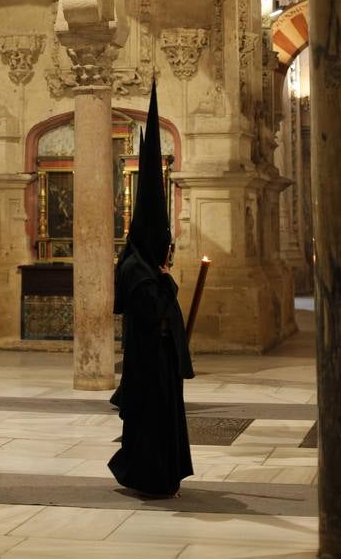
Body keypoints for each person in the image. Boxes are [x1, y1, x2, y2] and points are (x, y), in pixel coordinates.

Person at [108, 80, 194, 497]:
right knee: (152, 421)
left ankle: (164, 473)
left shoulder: (144, 266)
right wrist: (166, 282)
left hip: (159, 365)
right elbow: (150, 312)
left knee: (165, 420)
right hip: (149, 365)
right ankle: (149, 475)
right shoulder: (136, 270)